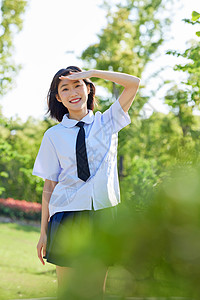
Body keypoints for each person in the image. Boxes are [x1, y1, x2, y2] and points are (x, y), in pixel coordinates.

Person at [32, 66, 140, 298]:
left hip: (102, 214)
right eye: (65, 88)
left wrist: (92, 72)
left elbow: (133, 82)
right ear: (59, 98)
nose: (73, 92)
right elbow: (49, 185)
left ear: (88, 89)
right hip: (66, 215)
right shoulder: (53, 135)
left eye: (78, 85)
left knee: (95, 291)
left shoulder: (108, 121)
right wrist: (43, 232)